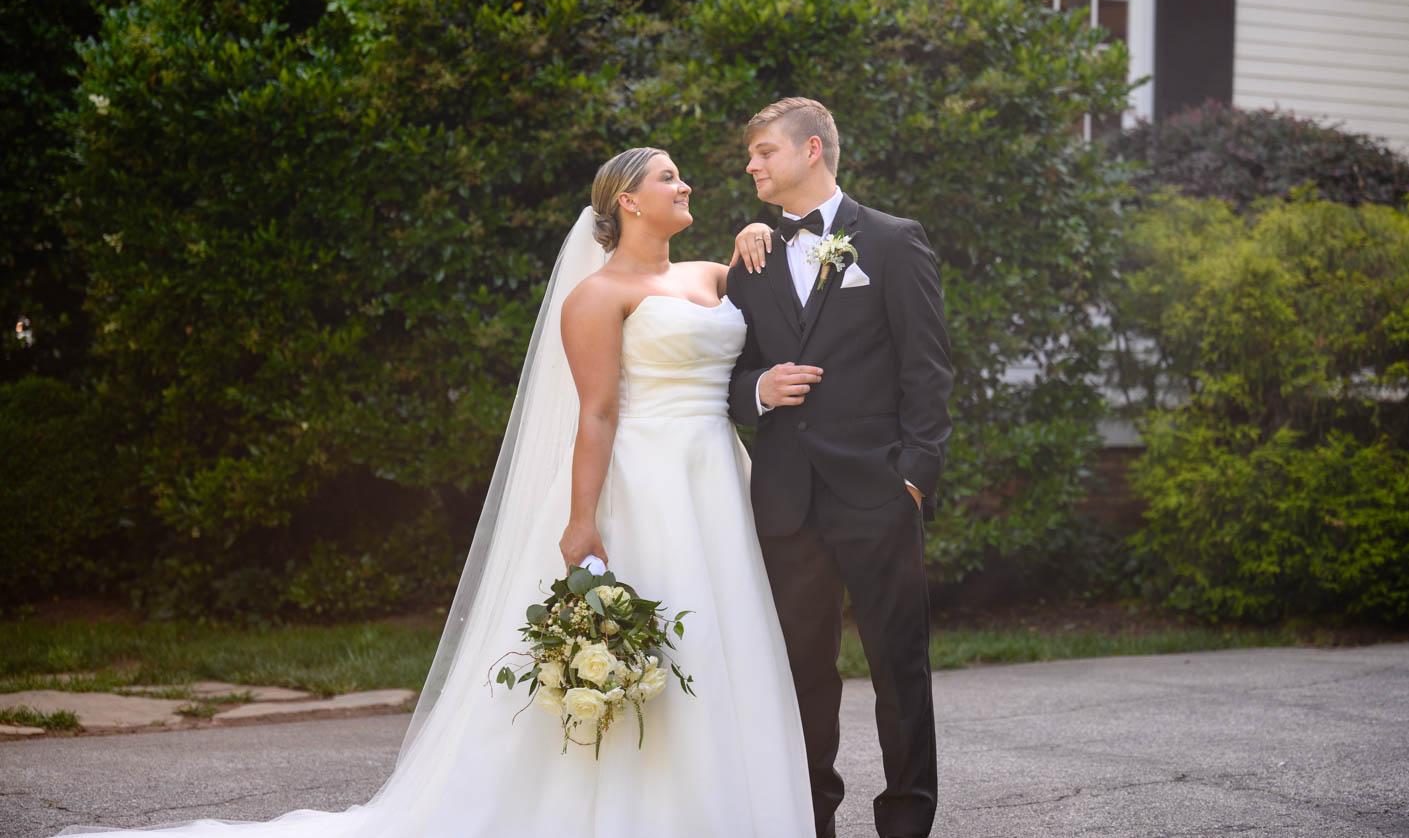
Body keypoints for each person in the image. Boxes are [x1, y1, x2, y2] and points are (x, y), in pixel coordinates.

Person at [53, 148, 813, 837]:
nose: (685, 185)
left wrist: (755, 231)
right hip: (644, 486)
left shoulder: (712, 275)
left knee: (725, 641)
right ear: (628, 203)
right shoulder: (596, 296)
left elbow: (765, 316)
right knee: (665, 638)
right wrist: (582, 521)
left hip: (715, 477)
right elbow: (599, 412)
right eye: (668, 178)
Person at [726, 98, 953, 838]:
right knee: (801, 677)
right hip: (787, 500)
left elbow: (928, 369)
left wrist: (914, 475)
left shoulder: (891, 241)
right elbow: (724, 372)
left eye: (763, 151)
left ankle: (907, 824)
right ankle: (810, 820)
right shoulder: (750, 259)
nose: (751, 165)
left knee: (898, 669)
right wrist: (757, 391)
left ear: (811, 149)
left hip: (878, 490)